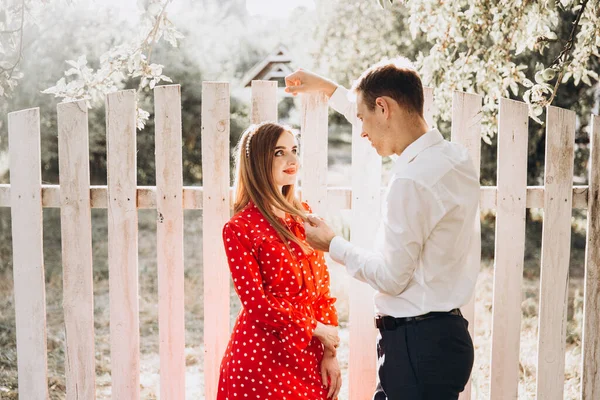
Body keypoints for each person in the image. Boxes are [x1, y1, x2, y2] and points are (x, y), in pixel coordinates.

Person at [285, 58, 480, 400]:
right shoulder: (455, 159)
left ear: (383, 107)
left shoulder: (411, 181)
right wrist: (329, 88)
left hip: (415, 347)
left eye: (362, 119)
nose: (361, 131)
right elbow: (380, 122)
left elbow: (392, 277)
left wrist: (333, 244)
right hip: (446, 340)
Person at [217, 122, 342, 400]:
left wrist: (329, 353)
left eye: (294, 150)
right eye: (279, 152)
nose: (292, 160)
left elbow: (321, 292)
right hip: (261, 362)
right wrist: (315, 329)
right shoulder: (240, 228)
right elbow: (257, 305)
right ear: (258, 161)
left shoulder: (305, 216)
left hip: (309, 356)